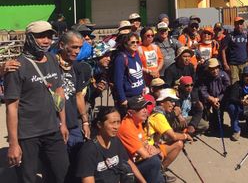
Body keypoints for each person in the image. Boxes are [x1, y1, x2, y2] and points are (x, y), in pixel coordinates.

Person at [4, 21, 69, 183]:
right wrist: (13, 143)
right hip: (28, 135)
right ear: (30, 38)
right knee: (29, 179)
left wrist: (63, 123)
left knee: (62, 173)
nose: (46, 40)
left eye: (49, 36)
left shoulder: (53, 59)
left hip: (53, 131)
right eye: (41, 36)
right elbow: (11, 108)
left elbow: (59, 92)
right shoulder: (16, 67)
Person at [56, 30, 92, 180]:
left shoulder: (76, 68)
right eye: (74, 47)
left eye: (80, 47)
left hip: (74, 125)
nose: (77, 51)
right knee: (60, 168)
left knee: (77, 163)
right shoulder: (51, 64)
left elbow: (78, 96)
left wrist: (84, 122)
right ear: (62, 45)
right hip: (56, 126)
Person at [76, 107, 145, 183]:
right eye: (112, 123)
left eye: (118, 122)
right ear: (99, 124)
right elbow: (88, 180)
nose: (116, 127)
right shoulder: (88, 150)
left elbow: (129, 163)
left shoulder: (116, 141)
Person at [147, 89, 193, 182]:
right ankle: (156, 174)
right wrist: (185, 136)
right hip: (148, 149)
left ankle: (159, 172)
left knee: (178, 144)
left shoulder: (160, 113)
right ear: (162, 102)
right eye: (170, 101)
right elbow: (173, 136)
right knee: (178, 143)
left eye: (174, 102)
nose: (173, 104)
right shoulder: (158, 115)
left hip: (153, 144)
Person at [118, 96, 165, 183]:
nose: (145, 110)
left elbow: (146, 144)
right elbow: (145, 155)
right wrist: (158, 150)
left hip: (136, 160)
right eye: (140, 108)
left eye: (145, 107)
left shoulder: (137, 122)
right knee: (154, 161)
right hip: (127, 169)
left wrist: (153, 149)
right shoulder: (126, 127)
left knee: (156, 159)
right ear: (130, 112)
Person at [226, 65, 248, 141]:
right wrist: (241, 101)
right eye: (246, 75)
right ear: (243, 76)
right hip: (240, 109)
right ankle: (236, 130)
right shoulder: (237, 85)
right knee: (231, 106)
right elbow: (232, 97)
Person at [112, 33, 145, 115]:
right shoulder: (120, 58)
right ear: (125, 44)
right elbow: (118, 81)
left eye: (137, 42)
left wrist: (143, 87)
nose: (135, 44)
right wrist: (123, 99)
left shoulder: (136, 55)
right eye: (132, 42)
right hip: (128, 98)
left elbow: (140, 72)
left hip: (139, 95)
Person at [198, 58, 231, 131]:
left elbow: (227, 91)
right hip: (208, 98)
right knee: (205, 112)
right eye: (212, 69)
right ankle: (208, 124)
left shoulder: (224, 75)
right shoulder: (205, 77)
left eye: (216, 68)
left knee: (219, 112)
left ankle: (218, 126)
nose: (215, 71)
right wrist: (210, 98)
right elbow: (203, 90)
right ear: (209, 69)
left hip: (220, 98)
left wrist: (218, 99)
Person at [221, 16, 248, 84]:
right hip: (234, 65)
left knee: (245, 82)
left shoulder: (246, 35)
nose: (239, 26)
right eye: (237, 24)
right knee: (234, 83)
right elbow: (223, 50)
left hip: (244, 63)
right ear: (235, 25)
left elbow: (247, 48)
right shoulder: (230, 36)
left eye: (241, 24)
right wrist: (225, 63)